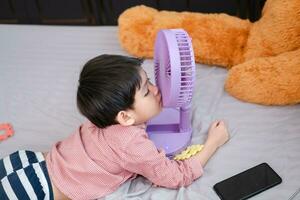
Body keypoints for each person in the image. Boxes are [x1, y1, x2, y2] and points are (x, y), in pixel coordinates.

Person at [0, 54, 229, 200]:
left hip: (24, 159)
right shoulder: (134, 145)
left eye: (148, 80)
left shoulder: (101, 113)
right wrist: (212, 143)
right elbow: (176, 176)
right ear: (125, 117)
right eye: (147, 91)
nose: (156, 88)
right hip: (32, 191)